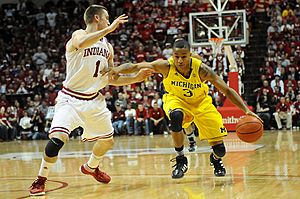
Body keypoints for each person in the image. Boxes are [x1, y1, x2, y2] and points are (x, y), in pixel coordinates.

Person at [29, 5, 153, 196]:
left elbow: (112, 78)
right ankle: (40, 179)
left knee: (107, 141)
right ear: (97, 18)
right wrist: (110, 29)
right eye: (107, 18)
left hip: (94, 100)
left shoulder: (108, 47)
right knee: (57, 140)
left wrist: (137, 77)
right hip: (70, 99)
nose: (109, 21)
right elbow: (82, 42)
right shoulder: (78, 35)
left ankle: (91, 167)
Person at [111, 38, 261, 179]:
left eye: (184, 56)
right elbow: (136, 66)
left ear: (190, 55)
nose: (180, 60)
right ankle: (181, 159)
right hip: (176, 100)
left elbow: (227, 90)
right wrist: (117, 69)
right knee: (176, 116)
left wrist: (246, 110)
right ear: (173, 55)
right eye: (177, 56)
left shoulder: (202, 70)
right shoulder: (166, 66)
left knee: (220, 150)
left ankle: (215, 159)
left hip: (201, 104)